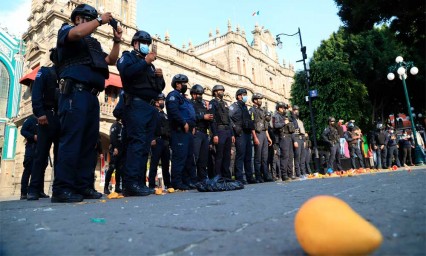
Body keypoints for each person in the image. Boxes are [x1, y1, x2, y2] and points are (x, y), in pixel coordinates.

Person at [53, 4, 122, 203]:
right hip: (75, 92)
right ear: (78, 19)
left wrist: (117, 42)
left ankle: (84, 186)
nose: (89, 22)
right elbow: (75, 34)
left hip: (92, 96)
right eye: (87, 18)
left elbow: (110, 60)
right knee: (72, 139)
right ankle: (63, 188)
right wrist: (100, 20)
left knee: (89, 144)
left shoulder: (92, 44)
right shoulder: (67, 30)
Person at [117, 30, 164, 196]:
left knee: (145, 147)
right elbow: (126, 72)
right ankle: (130, 183)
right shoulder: (128, 57)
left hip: (150, 107)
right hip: (136, 105)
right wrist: (145, 61)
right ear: (135, 43)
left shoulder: (149, 65)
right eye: (142, 42)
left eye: (147, 43)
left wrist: (160, 77)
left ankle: (139, 183)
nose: (145, 45)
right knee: (136, 143)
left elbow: (158, 89)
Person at [27, 49, 60, 200]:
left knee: (61, 156)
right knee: (40, 155)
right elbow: (36, 93)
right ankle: (34, 189)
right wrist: (39, 112)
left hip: (61, 118)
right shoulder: (45, 72)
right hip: (46, 116)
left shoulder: (67, 76)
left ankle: (58, 188)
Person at [166, 74, 197, 190]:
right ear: (177, 84)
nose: (185, 85)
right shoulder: (173, 96)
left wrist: (192, 125)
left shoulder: (183, 97)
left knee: (189, 158)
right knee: (179, 157)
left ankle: (188, 181)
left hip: (187, 132)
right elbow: (173, 111)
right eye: (183, 83)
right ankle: (176, 182)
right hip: (179, 131)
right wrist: (184, 123)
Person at [230, 89, 259, 184]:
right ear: (239, 96)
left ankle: (249, 177)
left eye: (246, 94)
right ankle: (239, 178)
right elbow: (228, 117)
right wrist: (234, 128)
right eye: (244, 94)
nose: (245, 96)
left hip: (247, 134)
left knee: (248, 156)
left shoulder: (245, 107)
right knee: (240, 156)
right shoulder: (234, 106)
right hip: (240, 134)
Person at [209, 85, 235, 178]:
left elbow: (228, 119)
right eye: (220, 90)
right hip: (219, 131)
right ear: (215, 92)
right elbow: (212, 120)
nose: (222, 92)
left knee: (227, 155)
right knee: (219, 155)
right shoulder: (212, 103)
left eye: (222, 90)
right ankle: (218, 176)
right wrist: (214, 134)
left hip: (227, 130)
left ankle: (226, 176)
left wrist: (232, 134)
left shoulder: (225, 103)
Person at [190, 84, 214, 181]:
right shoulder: (190, 104)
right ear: (193, 94)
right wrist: (202, 117)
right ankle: (192, 178)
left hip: (204, 133)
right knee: (195, 156)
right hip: (196, 132)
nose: (200, 96)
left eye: (201, 94)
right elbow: (191, 116)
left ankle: (203, 178)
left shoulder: (204, 105)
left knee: (204, 158)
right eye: (198, 94)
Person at [148, 93, 171, 189]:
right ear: (157, 102)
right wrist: (152, 138)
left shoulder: (164, 114)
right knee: (154, 163)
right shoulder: (153, 112)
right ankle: (151, 185)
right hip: (157, 140)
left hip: (165, 141)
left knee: (166, 164)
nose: (163, 102)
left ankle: (168, 184)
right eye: (161, 100)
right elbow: (150, 126)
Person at [249, 93, 273, 182]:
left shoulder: (262, 110)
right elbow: (252, 125)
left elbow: (265, 125)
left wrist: (268, 137)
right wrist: (254, 137)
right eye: (259, 99)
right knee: (258, 157)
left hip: (264, 134)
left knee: (265, 157)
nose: (261, 101)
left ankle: (266, 176)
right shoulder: (251, 110)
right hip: (257, 134)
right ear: (255, 100)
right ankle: (258, 176)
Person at [273, 102, 294, 181]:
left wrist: (290, 111)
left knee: (289, 156)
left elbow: (293, 120)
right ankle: (284, 174)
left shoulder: (285, 116)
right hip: (283, 137)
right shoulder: (276, 116)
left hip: (288, 137)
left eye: (285, 108)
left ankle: (290, 174)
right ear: (279, 108)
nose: (284, 109)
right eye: (282, 108)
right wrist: (283, 123)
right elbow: (275, 125)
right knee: (284, 156)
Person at [104, 118, 124, 194]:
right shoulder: (114, 126)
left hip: (121, 149)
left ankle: (117, 187)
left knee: (119, 169)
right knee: (111, 168)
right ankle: (106, 187)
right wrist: (115, 147)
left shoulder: (122, 126)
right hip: (115, 150)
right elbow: (112, 137)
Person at [20, 115, 38, 200]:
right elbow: (22, 131)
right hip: (31, 147)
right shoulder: (30, 120)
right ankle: (24, 192)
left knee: (40, 170)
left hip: (40, 148)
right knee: (28, 170)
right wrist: (33, 136)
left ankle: (39, 191)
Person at [290, 105, 307, 179]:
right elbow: (292, 131)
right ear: (293, 111)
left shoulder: (300, 121)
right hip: (296, 138)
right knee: (297, 157)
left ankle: (303, 172)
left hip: (301, 139)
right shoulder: (291, 120)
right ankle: (298, 173)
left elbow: (303, 132)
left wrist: (304, 140)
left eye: (297, 110)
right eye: (295, 110)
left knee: (303, 157)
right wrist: (294, 141)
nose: (297, 111)